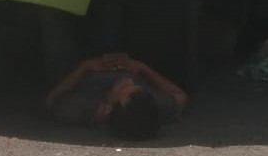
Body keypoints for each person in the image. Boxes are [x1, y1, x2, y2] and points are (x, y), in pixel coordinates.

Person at [45, 52, 188, 141]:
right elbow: (180, 96)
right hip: (128, 56)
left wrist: (84, 67)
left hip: (83, 64)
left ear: (111, 107)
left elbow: (52, 99)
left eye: (125, 88)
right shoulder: (148, 109)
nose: (129, 81)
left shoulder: (80, 108)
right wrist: (144, 69)